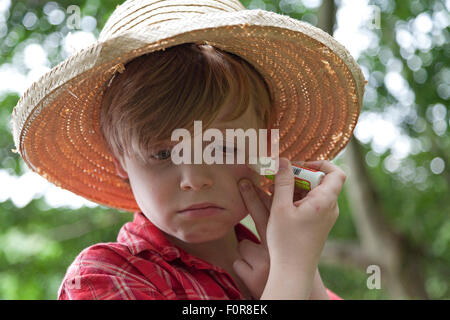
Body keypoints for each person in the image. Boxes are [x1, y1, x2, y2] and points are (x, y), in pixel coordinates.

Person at [10, 0, 366, 300]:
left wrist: (307, 282)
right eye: (163, 154)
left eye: (224, 147)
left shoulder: (276, 266)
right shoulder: (103, 277)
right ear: (120, 161)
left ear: (265, 150)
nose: (194, 179)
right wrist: (293, 274)